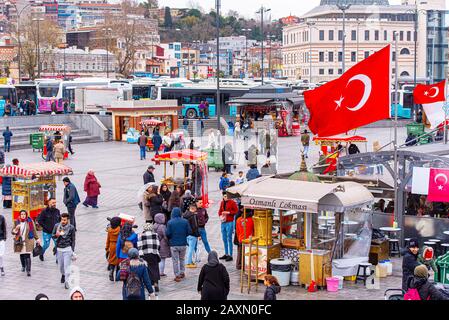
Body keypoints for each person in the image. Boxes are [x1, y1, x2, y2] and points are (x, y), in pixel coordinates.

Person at [166, 207, 191, 282]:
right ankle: (182, 272)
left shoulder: (170, 222)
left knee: (175, 260)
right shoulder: (185, 221)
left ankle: (177, 275)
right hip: (183, 243)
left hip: (174, 244)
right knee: (182, 259)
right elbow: (189, 231)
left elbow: (168, 233)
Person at [11, 210, 40, 277]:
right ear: (20, 215)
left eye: (24, 214)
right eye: (22, 214)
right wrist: (16, 229)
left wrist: (37, 239)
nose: (23, 215)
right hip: (20, 242)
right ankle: (23, 266)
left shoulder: (30, 221)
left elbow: (34, 231)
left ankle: (28, 270)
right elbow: (12, 232)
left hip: (28, 241)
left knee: (27, 255)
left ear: (26, 215)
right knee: (22, 255)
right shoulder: (16, 222)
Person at [52, 212, 76, 289]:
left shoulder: (71, 228)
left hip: (67, 249)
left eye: (65, 220)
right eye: (62, 220)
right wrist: (56, 235)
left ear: (68, 220)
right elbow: (53, 236)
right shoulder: (56, 226)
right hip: (59, 249)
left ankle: (67, 282)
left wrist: (72, 250)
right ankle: (63, 274)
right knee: (61, 267)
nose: (63, 221)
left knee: (67, 266)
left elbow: (73, 239)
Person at [138, 223, 161, 292]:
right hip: (153, 254)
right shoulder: (155, 235)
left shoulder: (141, 235)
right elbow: (158, 245)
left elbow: (139, 246)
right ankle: (156, 282)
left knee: (147, 269)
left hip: (145, 254)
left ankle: (150, 284)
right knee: (155, 267)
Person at [218, 192, 238, 262]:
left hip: (229, 222)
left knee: (229, 238)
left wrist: (228, 212)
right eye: (224, 196)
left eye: (226, 196)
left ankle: (231, 255)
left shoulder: (232, 202)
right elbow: (219, 211)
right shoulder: (222, 203)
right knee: (224, 238)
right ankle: (226, 253)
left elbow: (236, 211)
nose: (225, 197)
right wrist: (221, 215)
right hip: (223, 222)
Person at [184, 203, 200, 268]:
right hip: (192, 234)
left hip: (186, 234)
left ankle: (189, 261)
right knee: (191, 249)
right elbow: (195, 226)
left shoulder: (184, 215)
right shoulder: (193, 215)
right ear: (193, 209)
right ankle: (189, 262)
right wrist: (198, 235)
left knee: (189, 249)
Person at [105, 217, 121, 281]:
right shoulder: (120, 230)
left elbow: (107, 240)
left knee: (112, 260)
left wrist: (107, 248)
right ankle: (117, 276)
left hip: (111, 246)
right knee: (118, 261)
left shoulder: (109, 230)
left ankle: (111, 271)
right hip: (118, 245)